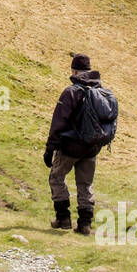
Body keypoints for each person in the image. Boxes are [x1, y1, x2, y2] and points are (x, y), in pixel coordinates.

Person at [44, 53, 109, 234]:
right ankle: (85, 224)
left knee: (56, 177)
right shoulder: (100, 92)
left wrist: (50, 148)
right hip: (91, 148)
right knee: (85, 184)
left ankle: (63, 218)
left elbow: (58, 122)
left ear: (74, 70)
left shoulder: (71, 92)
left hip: (70, 147)